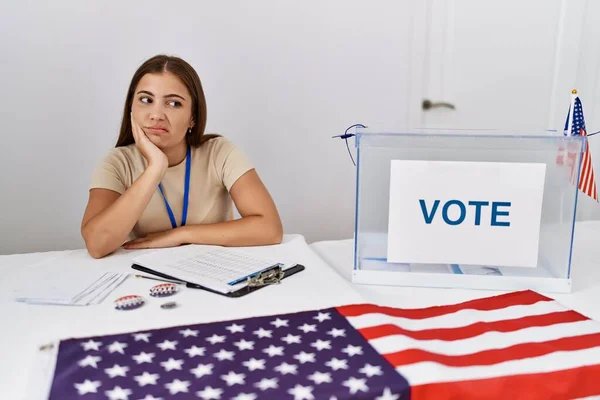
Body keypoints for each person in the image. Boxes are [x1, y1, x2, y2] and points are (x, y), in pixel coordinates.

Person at [81, 55, 283, 259]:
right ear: (131, 108)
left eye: (174, 103)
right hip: (147, 278)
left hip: (213, 271)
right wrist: (155, 168)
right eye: (146, 100)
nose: (156, 114)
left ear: (192, 118)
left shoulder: (219, 153)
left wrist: (181, 235)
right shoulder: (117, 163)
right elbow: (97, 245)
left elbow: (270, 228)